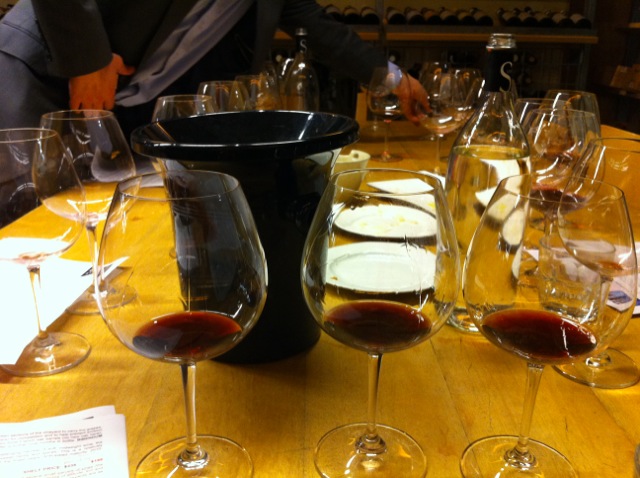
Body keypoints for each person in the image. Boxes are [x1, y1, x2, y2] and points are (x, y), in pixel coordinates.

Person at [0, 0, 428, 135]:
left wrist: (398, 81)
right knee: (24, 242)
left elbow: (322, 30)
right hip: (39, 72)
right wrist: (87, 59)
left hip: (117, 109)